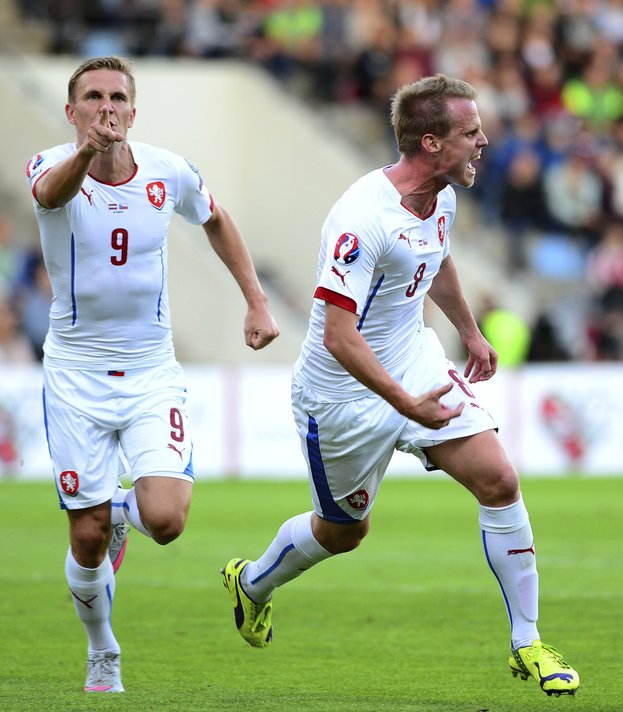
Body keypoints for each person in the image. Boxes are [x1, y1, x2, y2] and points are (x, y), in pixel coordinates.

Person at [220, 74, 579, 697]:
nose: (484, 142)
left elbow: (435, 257)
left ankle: (528, 643)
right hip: (341, 396)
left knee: (499, 479)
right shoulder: (362, 220)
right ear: (432, 143)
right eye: (471, 133)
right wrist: (404, 404)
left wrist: (469, 330)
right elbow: (338, 335)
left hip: (415, 361)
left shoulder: (442, 192)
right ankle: (252, 583)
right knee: (343, 533)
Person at [25, 56, 279, 694]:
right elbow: (52, 196)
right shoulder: (51, 165)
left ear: (133, 112)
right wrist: (86, 154)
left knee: (165, 521)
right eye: (91, 97)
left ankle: (117, 509)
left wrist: (255, 299)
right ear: (72, 110)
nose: (104, 107)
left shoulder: (169, 171)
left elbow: (216, 217)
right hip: (77, 374)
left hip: (149, 369)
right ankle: (101, 648)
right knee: (85, 537)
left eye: (116, 98)